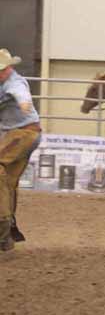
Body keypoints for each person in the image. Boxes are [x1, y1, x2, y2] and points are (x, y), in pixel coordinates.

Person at [0, 49, 42, 251]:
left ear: (8, 69)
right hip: (23, 134)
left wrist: (25, 104)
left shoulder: (14, 83)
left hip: (22, 134)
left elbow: (22, 96)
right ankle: (8, 231)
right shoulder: (5, 83)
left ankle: (3, 226)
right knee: (7, 180)